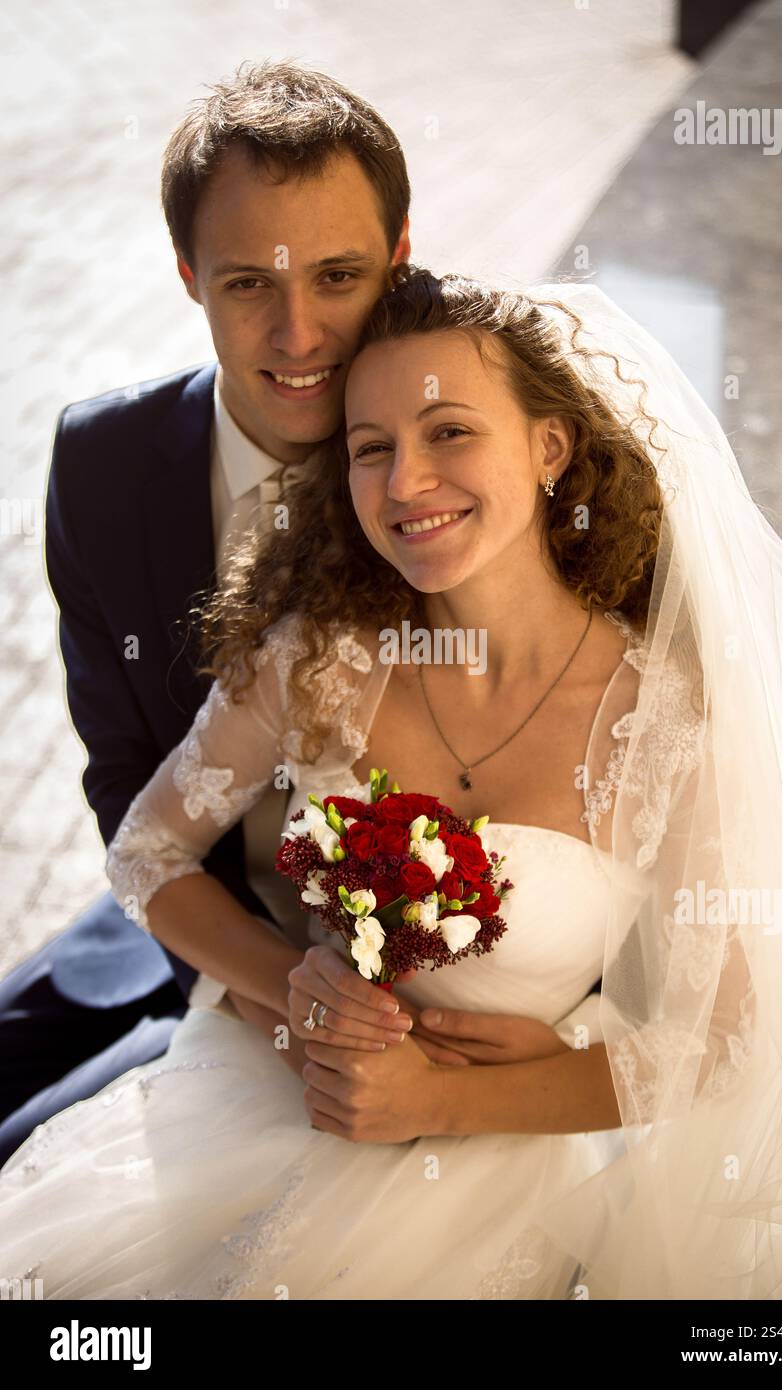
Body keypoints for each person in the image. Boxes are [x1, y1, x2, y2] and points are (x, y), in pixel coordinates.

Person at [2, 265, 782, 1300]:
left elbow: (721, 1039)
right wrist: (295, 996)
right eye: (371, 449)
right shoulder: (321, 660)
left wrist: (440, 1100)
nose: (405, 481)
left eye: (448, 431)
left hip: (527, 1147)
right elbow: (147, 851)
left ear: (548, 446)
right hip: (270, 1095)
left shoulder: (661, 720)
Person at [0, 58, 431, 1164]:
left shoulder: (463, 475)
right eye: (249, 283)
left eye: (338, 276)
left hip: (406, 1007)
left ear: (399, 256)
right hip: (178, 931)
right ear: (188, 273)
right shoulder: (102, 463)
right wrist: (267, 995)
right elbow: (120, 771)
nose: (299, 335)